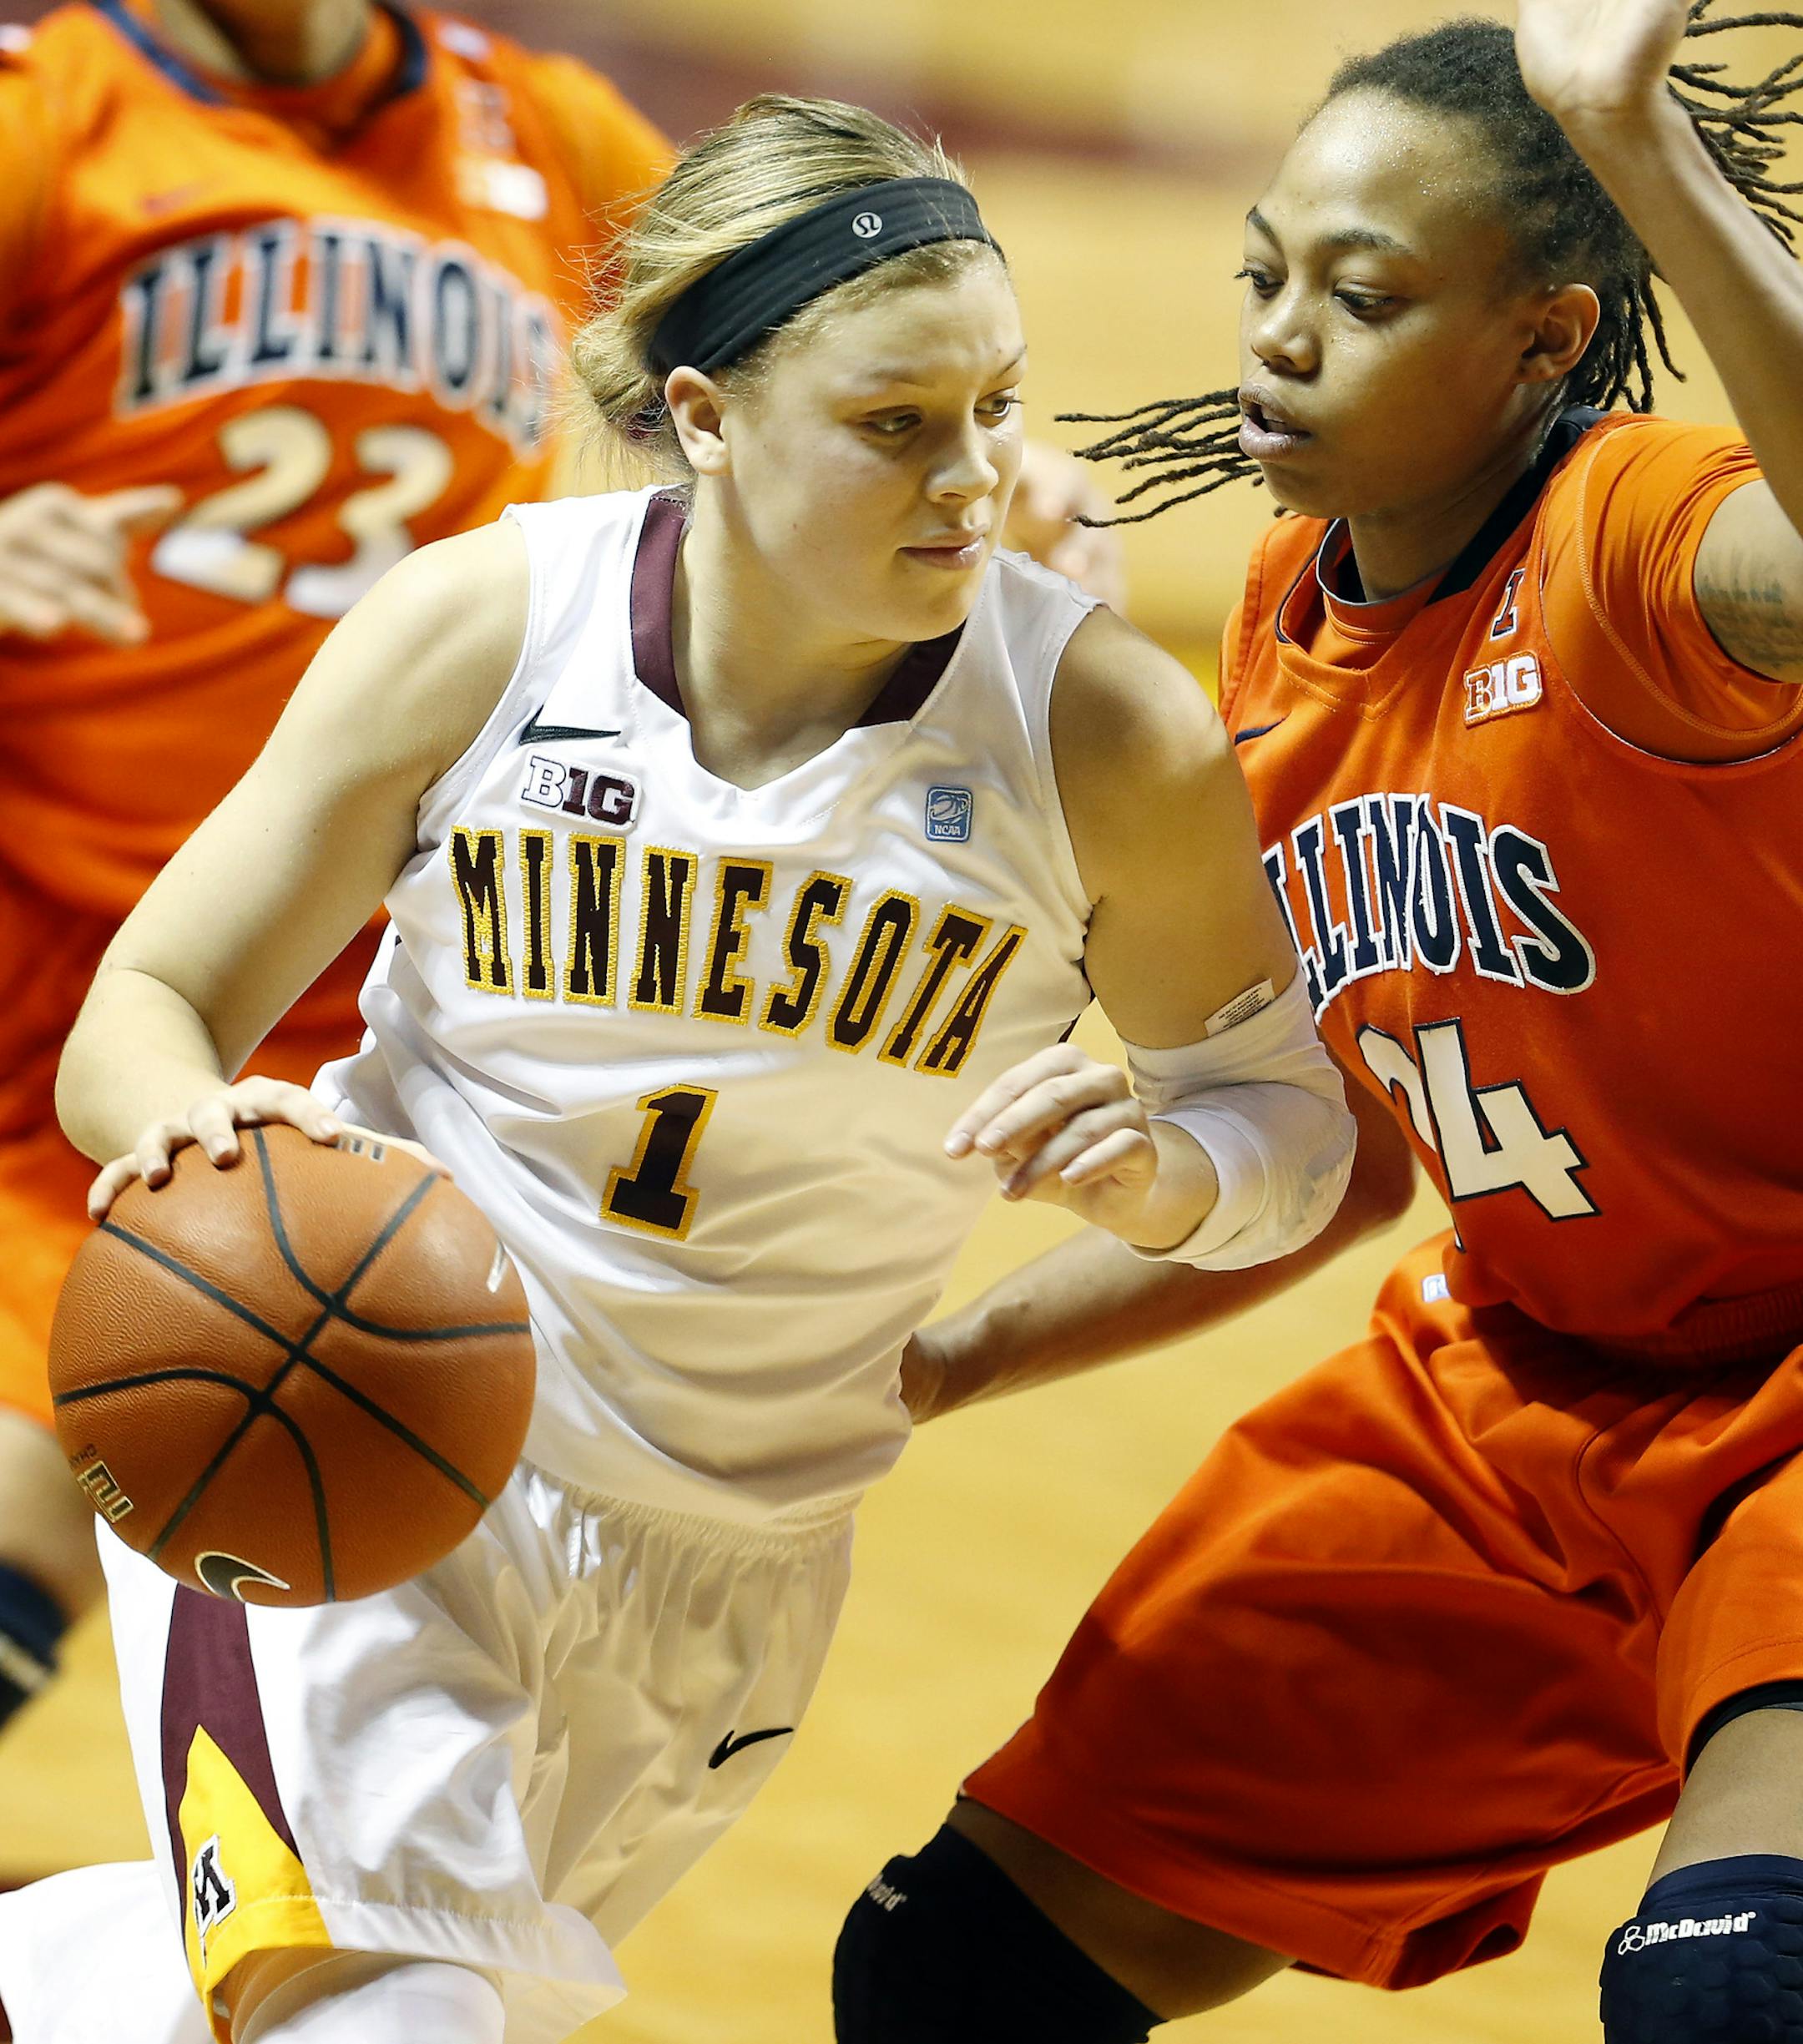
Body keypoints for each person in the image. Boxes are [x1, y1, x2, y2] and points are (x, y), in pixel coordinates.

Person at [0, 93, 1352, 2044]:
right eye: (897, 423)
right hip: (354, 1457)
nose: (973, 475)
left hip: (740, 1556)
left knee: (251, 2003)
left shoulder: (1106, 735)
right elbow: (149, 1000)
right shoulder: (487, 624)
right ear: (707, 416)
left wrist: (1168, 1176)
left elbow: (1293, 1135)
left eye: (996, 407)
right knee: (375, 2024)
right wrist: (185, 1128)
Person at [832, 4, 1803, 2041]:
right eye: (1266, 272)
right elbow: (1339, 1139)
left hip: (1792, 1396)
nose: (1282, 333)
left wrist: (1649, 150)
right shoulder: (1281, 617)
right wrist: (936, 1361)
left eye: (1363, 297)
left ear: (1546, 340)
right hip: (1528, 1391)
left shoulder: (1634, 536)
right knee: (956, 1977)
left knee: (1737, 1998)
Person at [0, 0, 672, 1769]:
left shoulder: (555, 136)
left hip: (398, 1019)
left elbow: (810, 369)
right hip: (63, 968)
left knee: (368, 1609)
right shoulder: (48, 122)